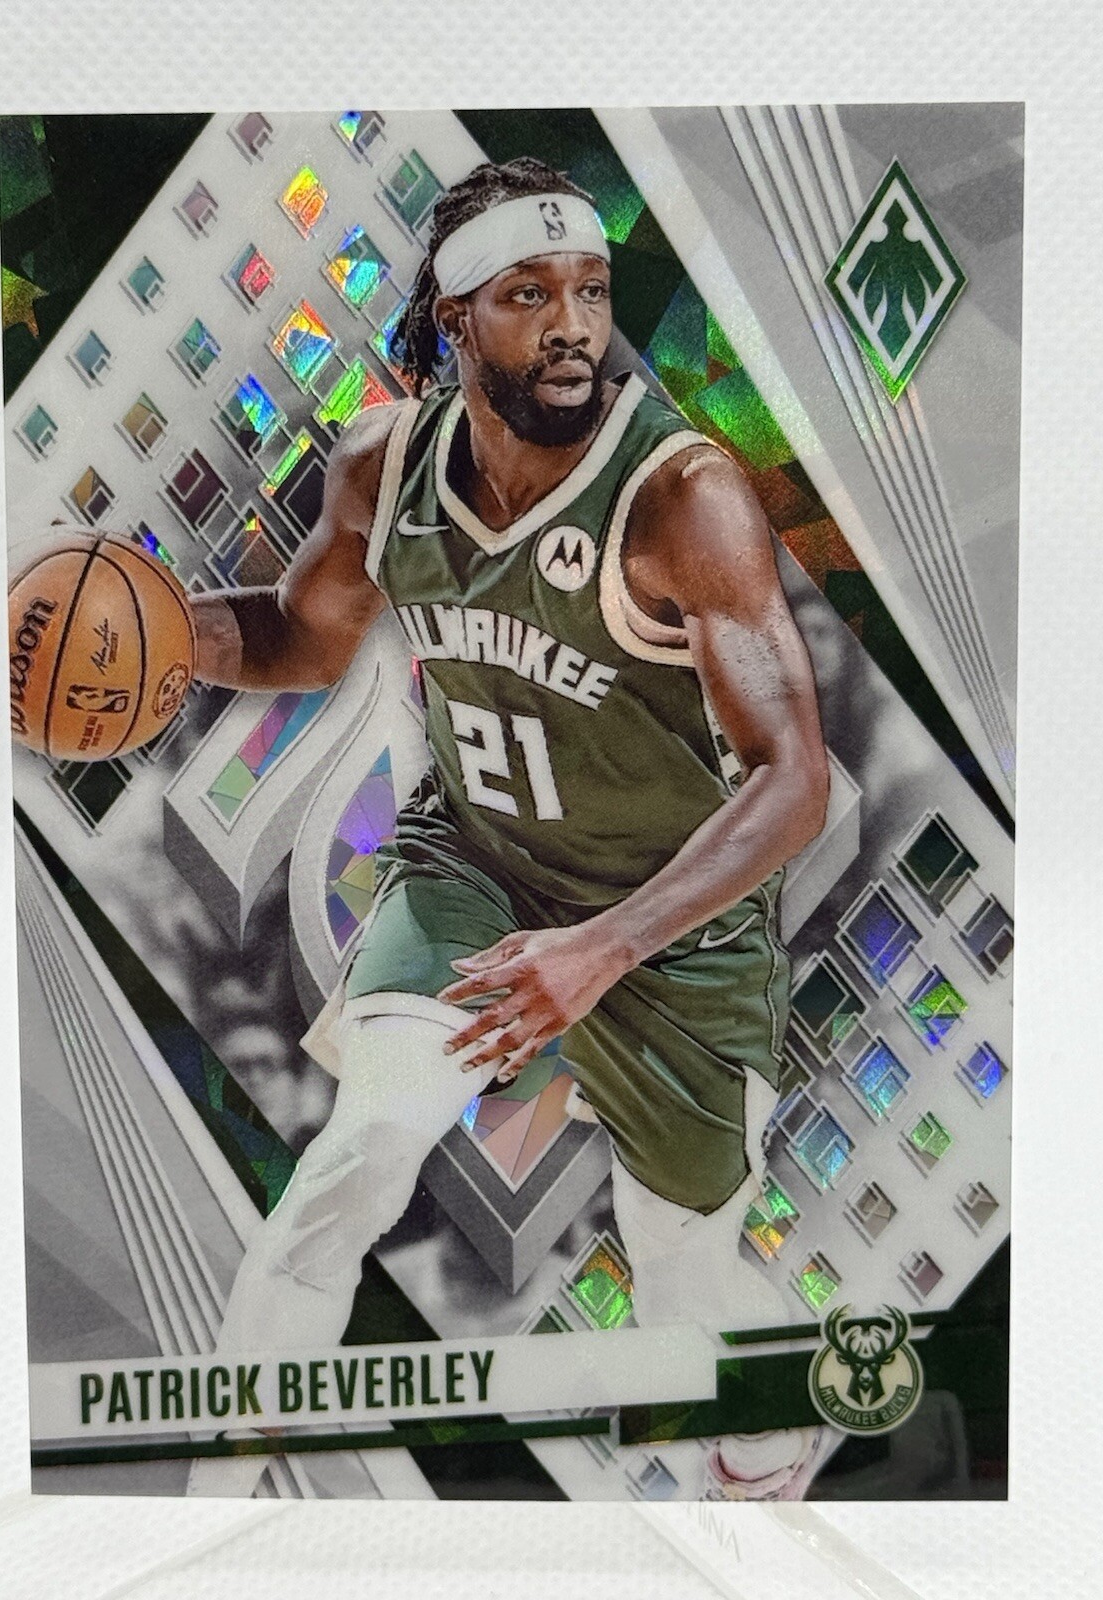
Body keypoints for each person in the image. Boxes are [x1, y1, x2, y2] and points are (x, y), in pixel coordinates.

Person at [185, 157, 831, 1500]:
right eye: (530, 296)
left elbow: (795, 783)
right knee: (363, 1153)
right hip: (476, 867)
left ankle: (769, 1468)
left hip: (675, 929)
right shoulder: (383, 467)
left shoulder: (682, 499)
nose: (575, 326)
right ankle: (208, 1521)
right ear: (455, 319)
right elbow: (304, 639)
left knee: (681, 1280)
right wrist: (151, 636)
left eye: (591, 291)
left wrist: (600, 951)